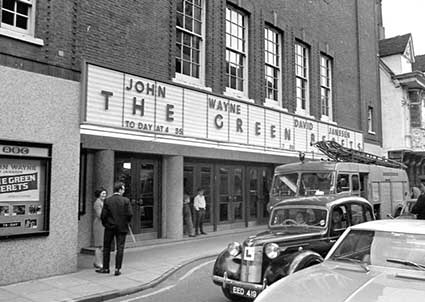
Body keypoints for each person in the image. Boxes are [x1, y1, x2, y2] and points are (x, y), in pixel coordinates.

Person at [96, 182, 133, 276]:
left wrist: (106, 224)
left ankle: (105, 268)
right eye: (123, 189)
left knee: (107, 247)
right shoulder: (126, 200)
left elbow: (103, 215)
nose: (124, 191)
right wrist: (126, 222)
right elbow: (130, 214)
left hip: (110, 227)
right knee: (120, 248)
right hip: (122, 227)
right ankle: (117, 269)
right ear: (120, 190)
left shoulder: (107, 201)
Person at [93, 188, 107, 269]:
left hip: (102, 224)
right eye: (102, 193)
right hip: (99, 224)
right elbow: (99, 215)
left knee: (102, 245)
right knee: (99, 245)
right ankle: (98, 263)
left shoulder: (102, 202)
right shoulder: (98, 202)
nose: (104, 195)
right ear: (99, 194)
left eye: (105, 193)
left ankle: (97, 261)